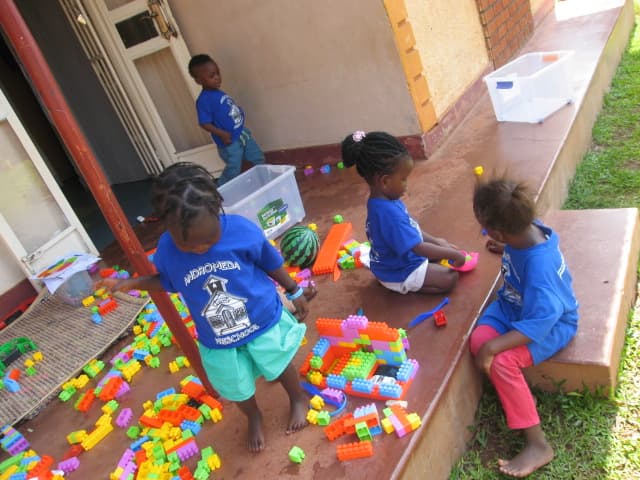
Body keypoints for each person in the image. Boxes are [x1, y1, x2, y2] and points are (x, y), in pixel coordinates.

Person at [100, 162, 316, 453]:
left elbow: (270, 262)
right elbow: (169, 281)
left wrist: (294, 289)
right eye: (188, 245)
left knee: (277, 364)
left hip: (261, 319)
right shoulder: (167, 250)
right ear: (167, 227)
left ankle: (297, 396)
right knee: (234, 383)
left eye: (207, 240)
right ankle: (253, 415)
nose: (199, 249)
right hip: (218, 336)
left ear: (217, 209)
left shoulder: (241, 231)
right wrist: (133, 283)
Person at [470, 179, 579, 477]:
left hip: (550, 325)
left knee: (501, 360)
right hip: (514, 306)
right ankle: (512, 391)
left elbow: (542, 321)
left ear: (498, 230)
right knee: (479, 340)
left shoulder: (540, 269)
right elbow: (521, 244)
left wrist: (496, 347)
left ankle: (538, 443)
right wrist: (506, 247)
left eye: (483, 227)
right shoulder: (526, 229)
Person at [341, 130, 465, 294]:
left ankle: (421, 272)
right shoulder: (388, 214)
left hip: (393, 261)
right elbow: (418, 248)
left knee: (438, 252)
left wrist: (437, 242)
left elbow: (412, 229)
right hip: (397, 271)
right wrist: (453, 254)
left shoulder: (384, 201)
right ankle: (403, 286)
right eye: (403, 179)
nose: (406, 185)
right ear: (385, 181)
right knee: (449, 278)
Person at [188, 54, 265, 186]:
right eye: (212, 76)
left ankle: (265, 180)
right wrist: (222, 134)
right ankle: (220, 191)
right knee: (233, 169)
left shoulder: (218, 92)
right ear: (198, 81)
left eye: (218, 73)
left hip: (241, 133)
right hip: (230, 142)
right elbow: (204, 123)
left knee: (257, 157)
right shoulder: (204, 100)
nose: (217, 77)